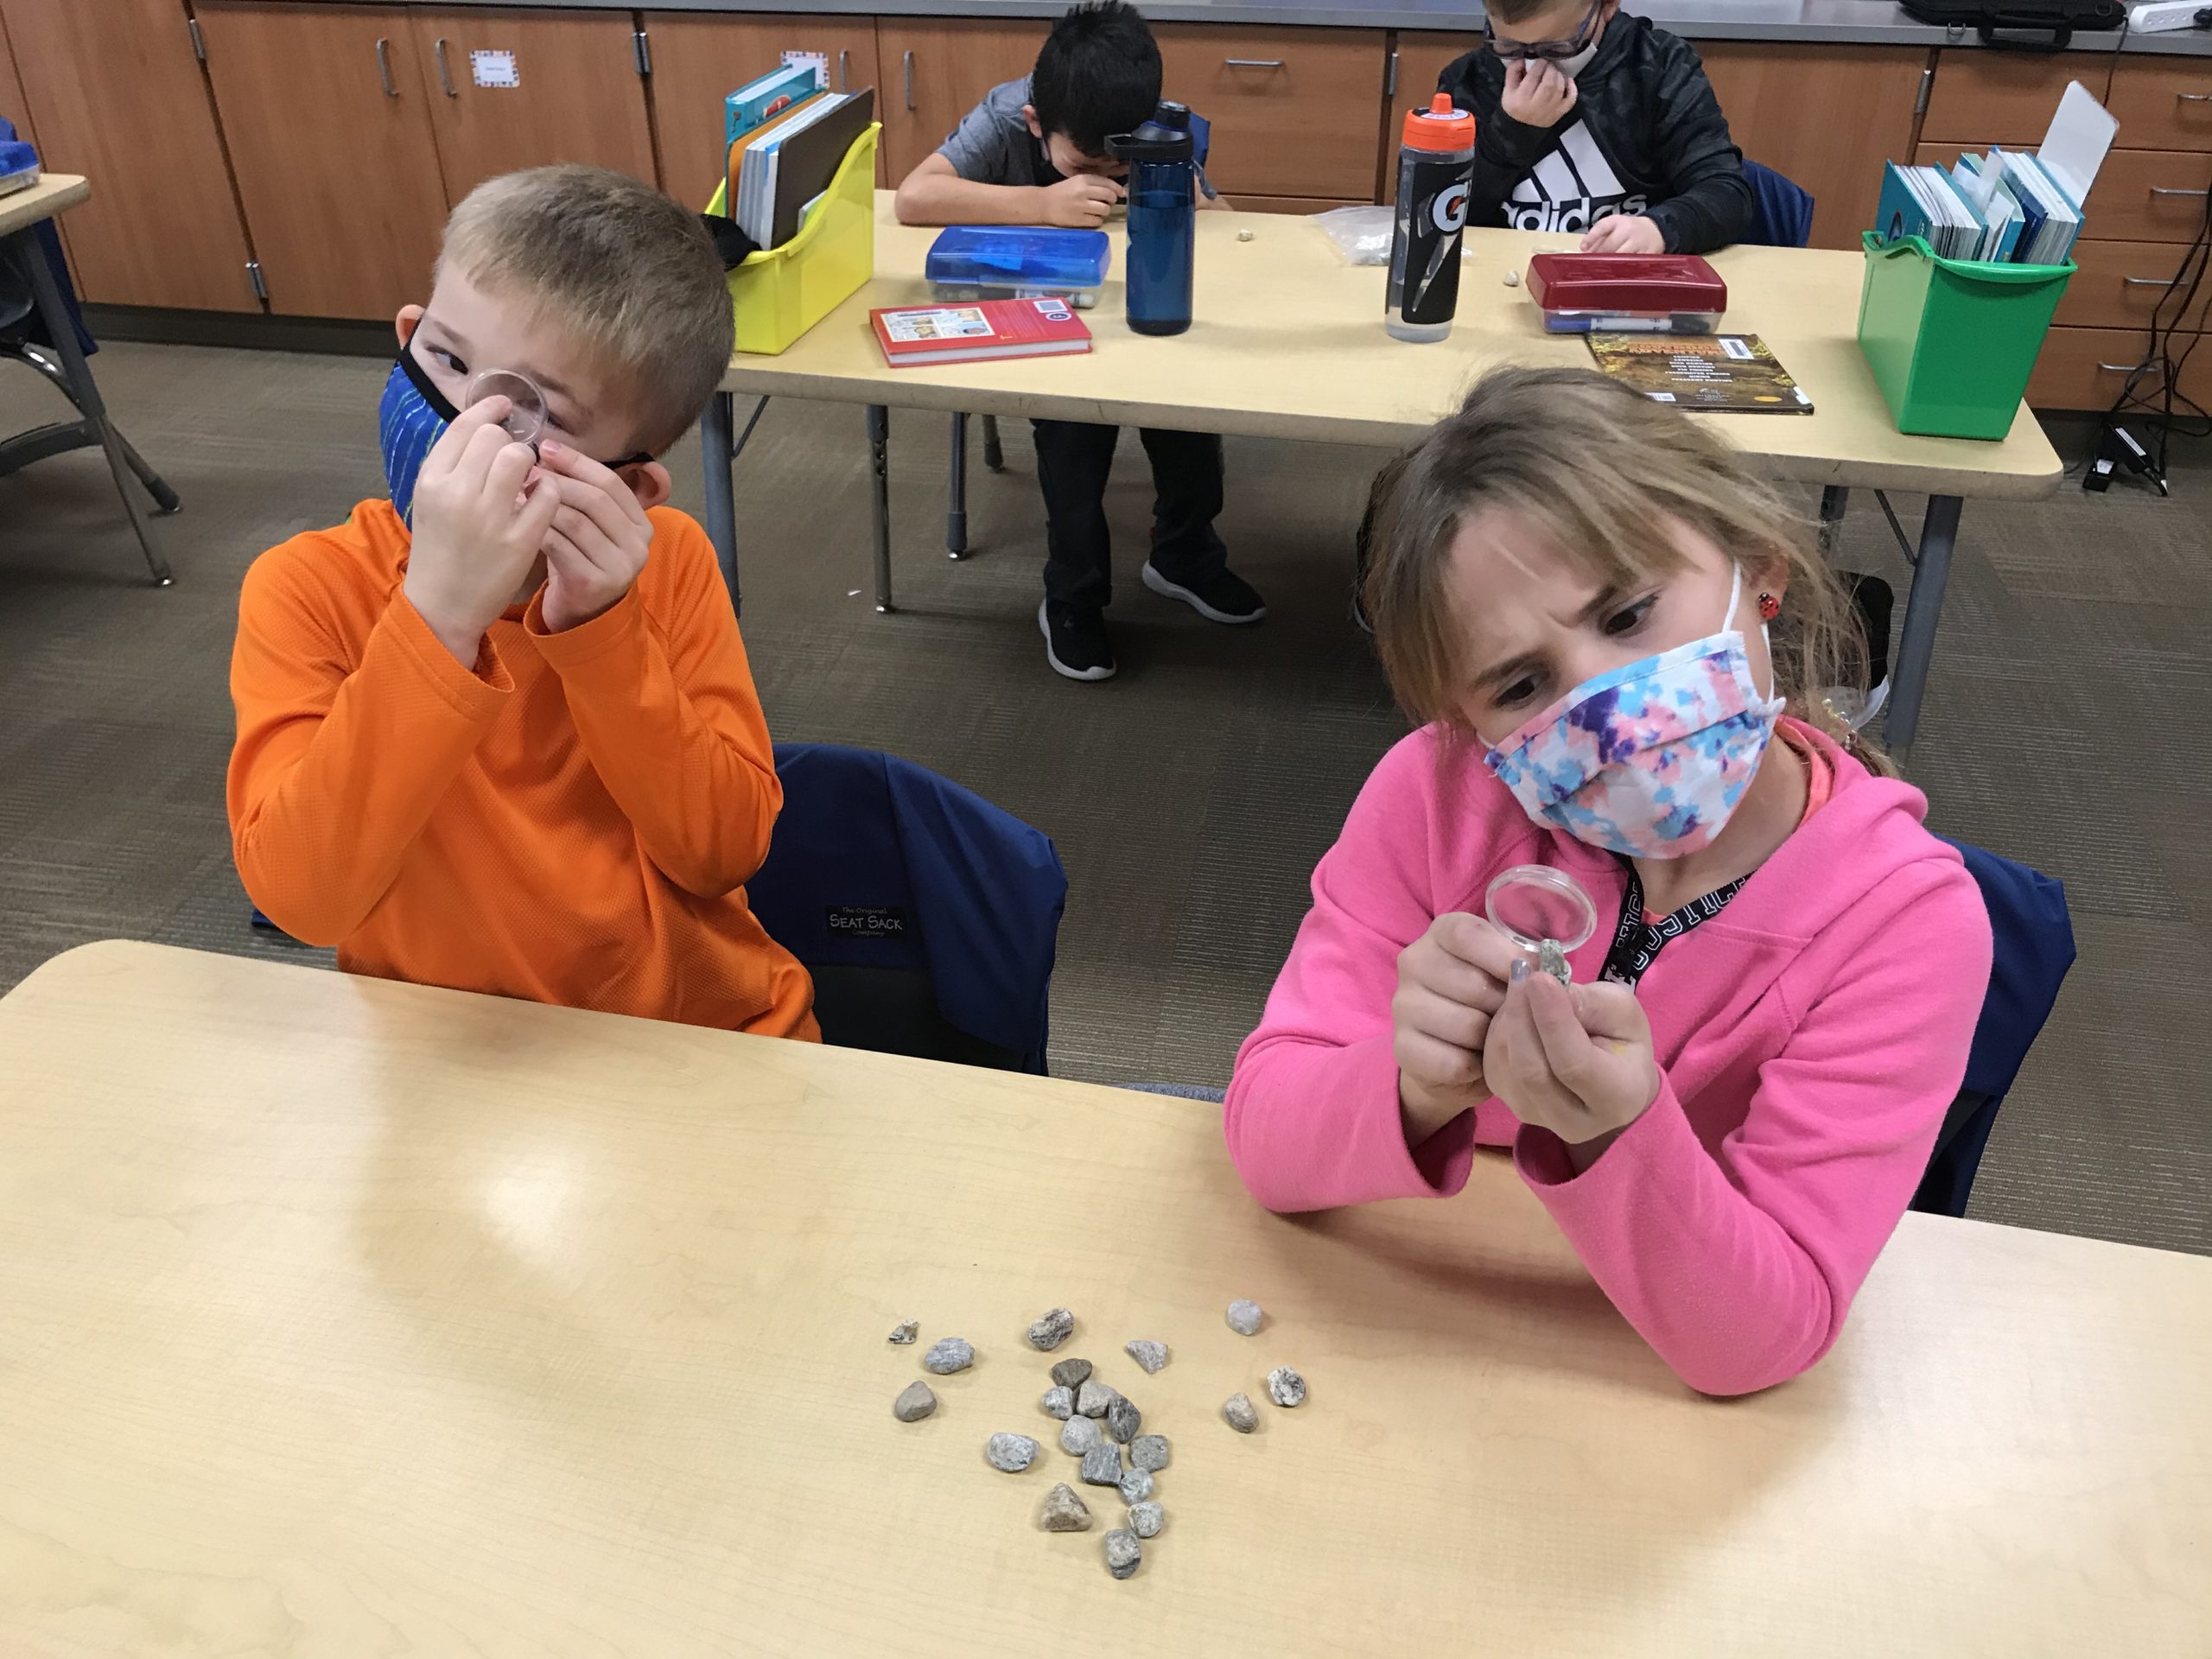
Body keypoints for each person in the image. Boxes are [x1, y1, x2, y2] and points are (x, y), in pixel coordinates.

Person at [1224, 366, 1990, 1396]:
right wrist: (1410, 1086)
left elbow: (1765, 1336)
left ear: (1756, 570)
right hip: (1424, 1345)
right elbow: (1265, 1132)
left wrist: (1614, 1130)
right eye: (1522, 685)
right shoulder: (1434, 799)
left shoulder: (1903, 922)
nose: (1607, 711)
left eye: (1628, 614)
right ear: (1469, 723)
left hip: (1643, 1371)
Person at [228, 165, 817, 1040]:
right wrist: (436, 621)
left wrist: (604, 632)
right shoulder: (309, 588)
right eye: (448, 359)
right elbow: (305, 900)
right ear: (407, 335)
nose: (467, 424)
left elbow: (722, 853)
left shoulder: (670, 564)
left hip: (685, 1040)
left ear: (632, 484)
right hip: (445, 1052)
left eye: (532, 413)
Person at [893, 0, 1263, 682]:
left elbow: (1218, 217)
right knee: (1072, 439)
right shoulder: (1008, 115)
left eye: (1121, 165)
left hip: (1144, 311)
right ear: (1038, 124)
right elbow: (914, 198)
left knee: (1187, 417)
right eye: (1086, 162)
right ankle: (1073, 595)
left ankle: (1184, 555)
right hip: (1042, 328)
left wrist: (1199, 201)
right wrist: (1041, 203)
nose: (1108, 177)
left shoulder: (1156, 124)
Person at [1438, 0, 1752, 255]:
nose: (1533, 65)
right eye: (1508, 47)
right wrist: (1511, 133)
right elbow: (1442, 211)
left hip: (1628, 282)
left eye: (1559, 48)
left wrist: (1659, 229)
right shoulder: (1468, 81)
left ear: (1607, 6)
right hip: (1504, 276)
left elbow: (1727, 193)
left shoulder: (1658, 67)